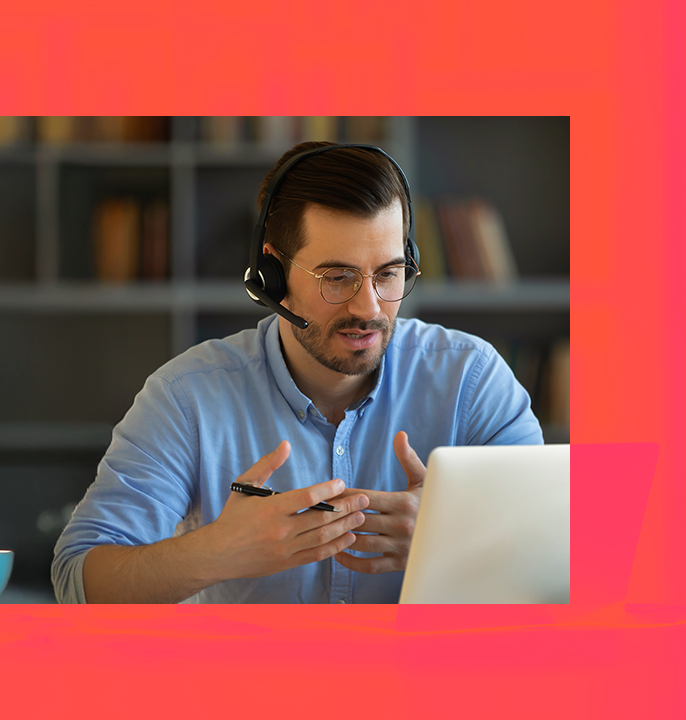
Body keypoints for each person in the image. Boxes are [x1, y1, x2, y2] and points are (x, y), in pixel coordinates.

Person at [52, 140, 543, 604]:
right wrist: (216, 552)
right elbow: (78, 581)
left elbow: (558, 565)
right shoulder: (186, 397)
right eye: (338, 277)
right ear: (271, 277)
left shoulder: (472, 380)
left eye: (389, 273)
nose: (370, 307)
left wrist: (451, 542)